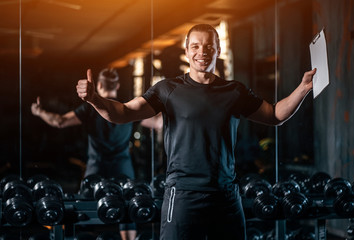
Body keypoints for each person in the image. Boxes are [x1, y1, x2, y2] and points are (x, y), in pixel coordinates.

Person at [76, 24, 316, 240]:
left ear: (218, 50)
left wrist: (303, 89)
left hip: (226, 197)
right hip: (182, 196)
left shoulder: (235, 92)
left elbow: (275, 115)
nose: (202, 51)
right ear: (187, 51)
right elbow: (124, 113)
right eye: (195, 46)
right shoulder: (167, 89)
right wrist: (95, 100)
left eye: (209, 46)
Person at [31, 68, 137, 240]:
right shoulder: (127, 107)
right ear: (117, 85)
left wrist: (39, 112)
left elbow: (59, 121)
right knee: (129, 212)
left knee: (83, 210)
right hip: (123, 168)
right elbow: (158, 122)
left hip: (96, 169)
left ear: (100, 84)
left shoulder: (89, 109)